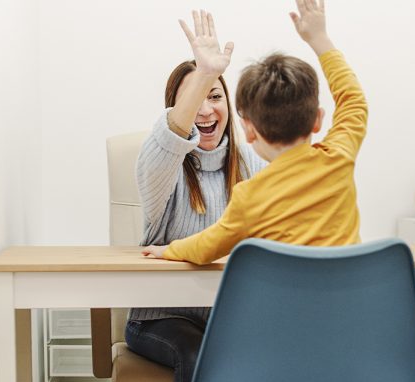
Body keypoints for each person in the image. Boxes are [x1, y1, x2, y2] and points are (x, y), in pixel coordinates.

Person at [123, 9, 266, 382]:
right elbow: (170, 137)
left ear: (232, 107)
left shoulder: (252, 165)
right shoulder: (159, 166)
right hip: (160, 319)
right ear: (177, 107)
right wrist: (206, 72)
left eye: (216, 96)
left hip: (227, 315)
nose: (206, 109)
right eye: (195, 96)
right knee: (194, 352)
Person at [142, 0, 368, 265]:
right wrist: (320, 40)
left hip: (283, 306)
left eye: (213, 96)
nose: (203, 110)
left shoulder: (249, 196)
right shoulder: (339, 157)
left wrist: (169, 250)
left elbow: (206, 246)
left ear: (248, 129)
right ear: (318, 120)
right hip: (345, 305)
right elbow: (353, 100)